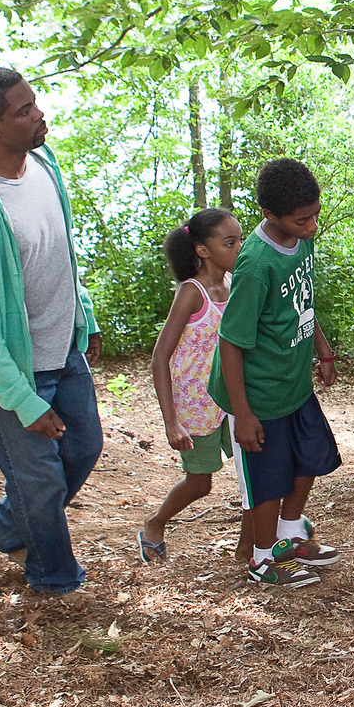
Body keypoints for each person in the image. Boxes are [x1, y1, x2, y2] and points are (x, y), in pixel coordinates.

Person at [0, 67, 103, 601]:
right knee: (41, 480)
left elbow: (62, 253)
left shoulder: (43, 164)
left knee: (83, 448)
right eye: (23, 110)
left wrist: (85, 316)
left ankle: (11, 525)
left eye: (33, 102)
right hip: (12, 369)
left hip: (64, 348)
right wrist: (20, 399)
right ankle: (55, 580)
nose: (38, 114)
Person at [209, 158, 343, 587]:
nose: (312, 226)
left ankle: (289, 535)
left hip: (293, 384)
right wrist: (243, 413)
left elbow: (301, 301)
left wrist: (321, 348)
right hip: (257, 394)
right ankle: (262, 560)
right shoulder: (256, 265)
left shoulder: (300, 240)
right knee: (268, 480)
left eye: (315, 215)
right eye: (303, 220)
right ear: (271, 215)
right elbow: (230, 341)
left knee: (310, 457)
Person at [139, 208, 243, 564]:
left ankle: (263, 542)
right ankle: (155, 522)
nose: (239, 248)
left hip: (232, 399)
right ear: (202, 250)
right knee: (200, 483)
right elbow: (159, 358)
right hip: (196, 407)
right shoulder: (191, 293)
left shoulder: (232, 285)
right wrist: (171, 421)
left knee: (257, 466)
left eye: (240, 239)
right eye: (230, 243)